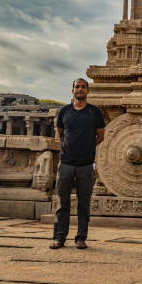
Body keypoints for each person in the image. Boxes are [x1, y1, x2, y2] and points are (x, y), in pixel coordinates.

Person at [50, 78, 105, 249]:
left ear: (88, 91)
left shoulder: (94, 112)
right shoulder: (64, 111)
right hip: (66, 162)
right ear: (72, 90)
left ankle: (81, 238)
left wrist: (87, 148)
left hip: (86, 164)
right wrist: (68, 147)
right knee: (62, 202)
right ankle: (59, 237)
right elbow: (59, 133)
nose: (80, 89)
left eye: (83, 87)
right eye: (77, 87)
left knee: (84, 203)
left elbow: (101, 136)